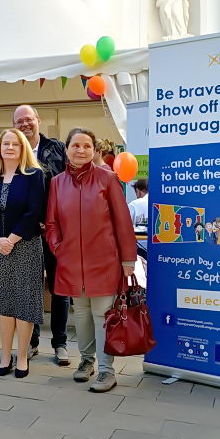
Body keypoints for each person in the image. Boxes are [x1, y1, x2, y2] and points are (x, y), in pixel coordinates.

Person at [45, 128, 137, 393]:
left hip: (104, 262)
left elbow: (122, 222)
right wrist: (59, 248)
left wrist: (128, 259)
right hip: (71, 262)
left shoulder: (108, 179)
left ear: (95, 150)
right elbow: (51, 223)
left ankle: (107, 371)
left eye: (87, 146)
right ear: (66, 149)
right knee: (82, 314)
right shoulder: (57, 182)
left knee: (102, 314)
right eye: (76, 145)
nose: (81, 150)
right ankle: (86, 361)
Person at [0, 129, 45, 378]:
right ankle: (5, 355)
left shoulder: (34, 175)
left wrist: (12, 239)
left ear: (23, 147)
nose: (9, 147)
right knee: (5, 305)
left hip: (25, 246)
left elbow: (34, 211)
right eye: (5, 143)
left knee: (24, 305)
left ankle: (23, 356)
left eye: (15, 144)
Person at [12, 104, 70, 366]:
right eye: (19, 121)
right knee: (29, 289)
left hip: (56, 231)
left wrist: (56, 221)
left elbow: (68, 185)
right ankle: (32, 342)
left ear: (38, 120)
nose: (25, 124)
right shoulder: (13, 151)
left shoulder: (57, 148)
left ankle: (60, 344)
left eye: (29, 119)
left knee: (60, 288)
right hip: (26, 232)